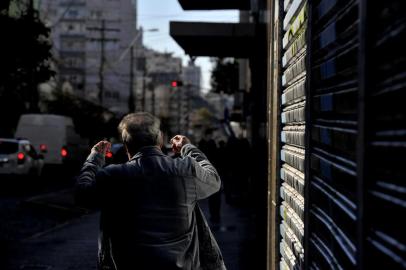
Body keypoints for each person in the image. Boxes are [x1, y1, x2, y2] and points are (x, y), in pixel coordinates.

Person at [75, 112, 225, 270]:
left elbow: (82, 196)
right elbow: (214, 180)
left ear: (126, 145)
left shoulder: (112, 176)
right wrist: (188, 148)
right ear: (160, 140)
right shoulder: (186, 170)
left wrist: (94, 158)